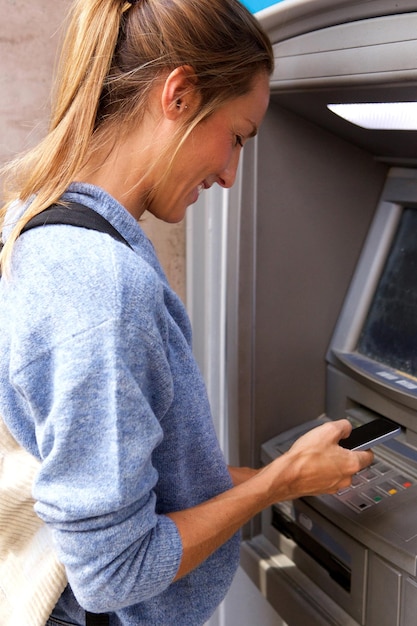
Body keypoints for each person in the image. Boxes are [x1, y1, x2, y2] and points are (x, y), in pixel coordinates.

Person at [0, 0, 374, 624]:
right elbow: (114, 572)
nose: (231, 174)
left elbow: (115, 464)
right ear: (178, 94)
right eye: (236, 137)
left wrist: (281, 471)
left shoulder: (41, 220)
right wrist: (274, 486)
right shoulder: (104, 287)